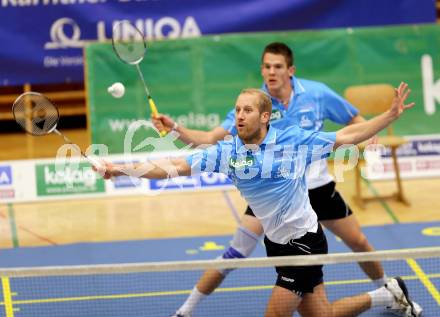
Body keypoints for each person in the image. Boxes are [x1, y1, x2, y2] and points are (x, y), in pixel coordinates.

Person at [97, 86, 420, 317]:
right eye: (237, 110)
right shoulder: (227, 152)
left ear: (265, 117)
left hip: (304, 242)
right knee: (321, 315)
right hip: (276, 244)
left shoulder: (292, 142)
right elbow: (173, 167)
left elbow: (347, 136)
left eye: (247, 110)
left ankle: (385, 294)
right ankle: (385, 294)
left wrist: (389, 116)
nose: (239, 116)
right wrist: (120, 168)